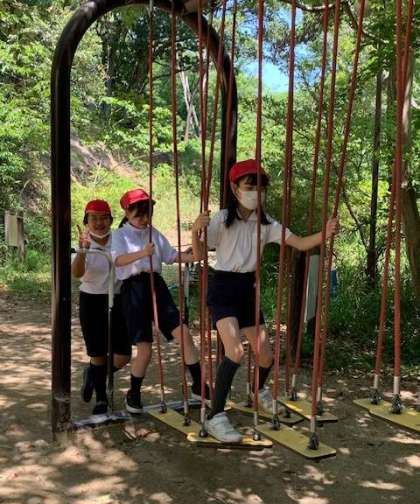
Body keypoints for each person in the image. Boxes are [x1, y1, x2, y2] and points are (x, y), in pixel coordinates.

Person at [192, 159, 339, 442]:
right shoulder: (221, 219)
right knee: (235, 352)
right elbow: (199, 255)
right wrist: (195, 231)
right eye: (249, 187)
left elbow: (300, 243)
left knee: (266, 356)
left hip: (247, 288)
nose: (255, 193)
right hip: (223, 287)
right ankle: (215, 416)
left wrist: (326, 233)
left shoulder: (267, 223)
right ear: (235, 189)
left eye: (260, 188)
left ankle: (257, 391)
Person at [111, 188, 209, 414]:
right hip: (133, 289)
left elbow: (175, 256)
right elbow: (117, 261)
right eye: (138, 214)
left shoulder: (153, 233)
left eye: (147, 214)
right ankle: (133, 394)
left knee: (184, 334)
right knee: (145, 348)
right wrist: (142, 253)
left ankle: (199, 386)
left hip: (157, 286)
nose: (144, 219)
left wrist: (194, 239)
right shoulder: (120, 235)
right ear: (126, 212)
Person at [72, 199, 131, 415]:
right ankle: (101, 399)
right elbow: (77, 273)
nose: (99, 223)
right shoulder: (83, 242)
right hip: (92, 300)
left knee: (122, 356)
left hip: (119, 299)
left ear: (111, 220)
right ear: (86, 221)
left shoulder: (120, 239)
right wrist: (82, 251)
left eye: (103, 218)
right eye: (93, 219)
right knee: (97, 353)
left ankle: (92, 374)